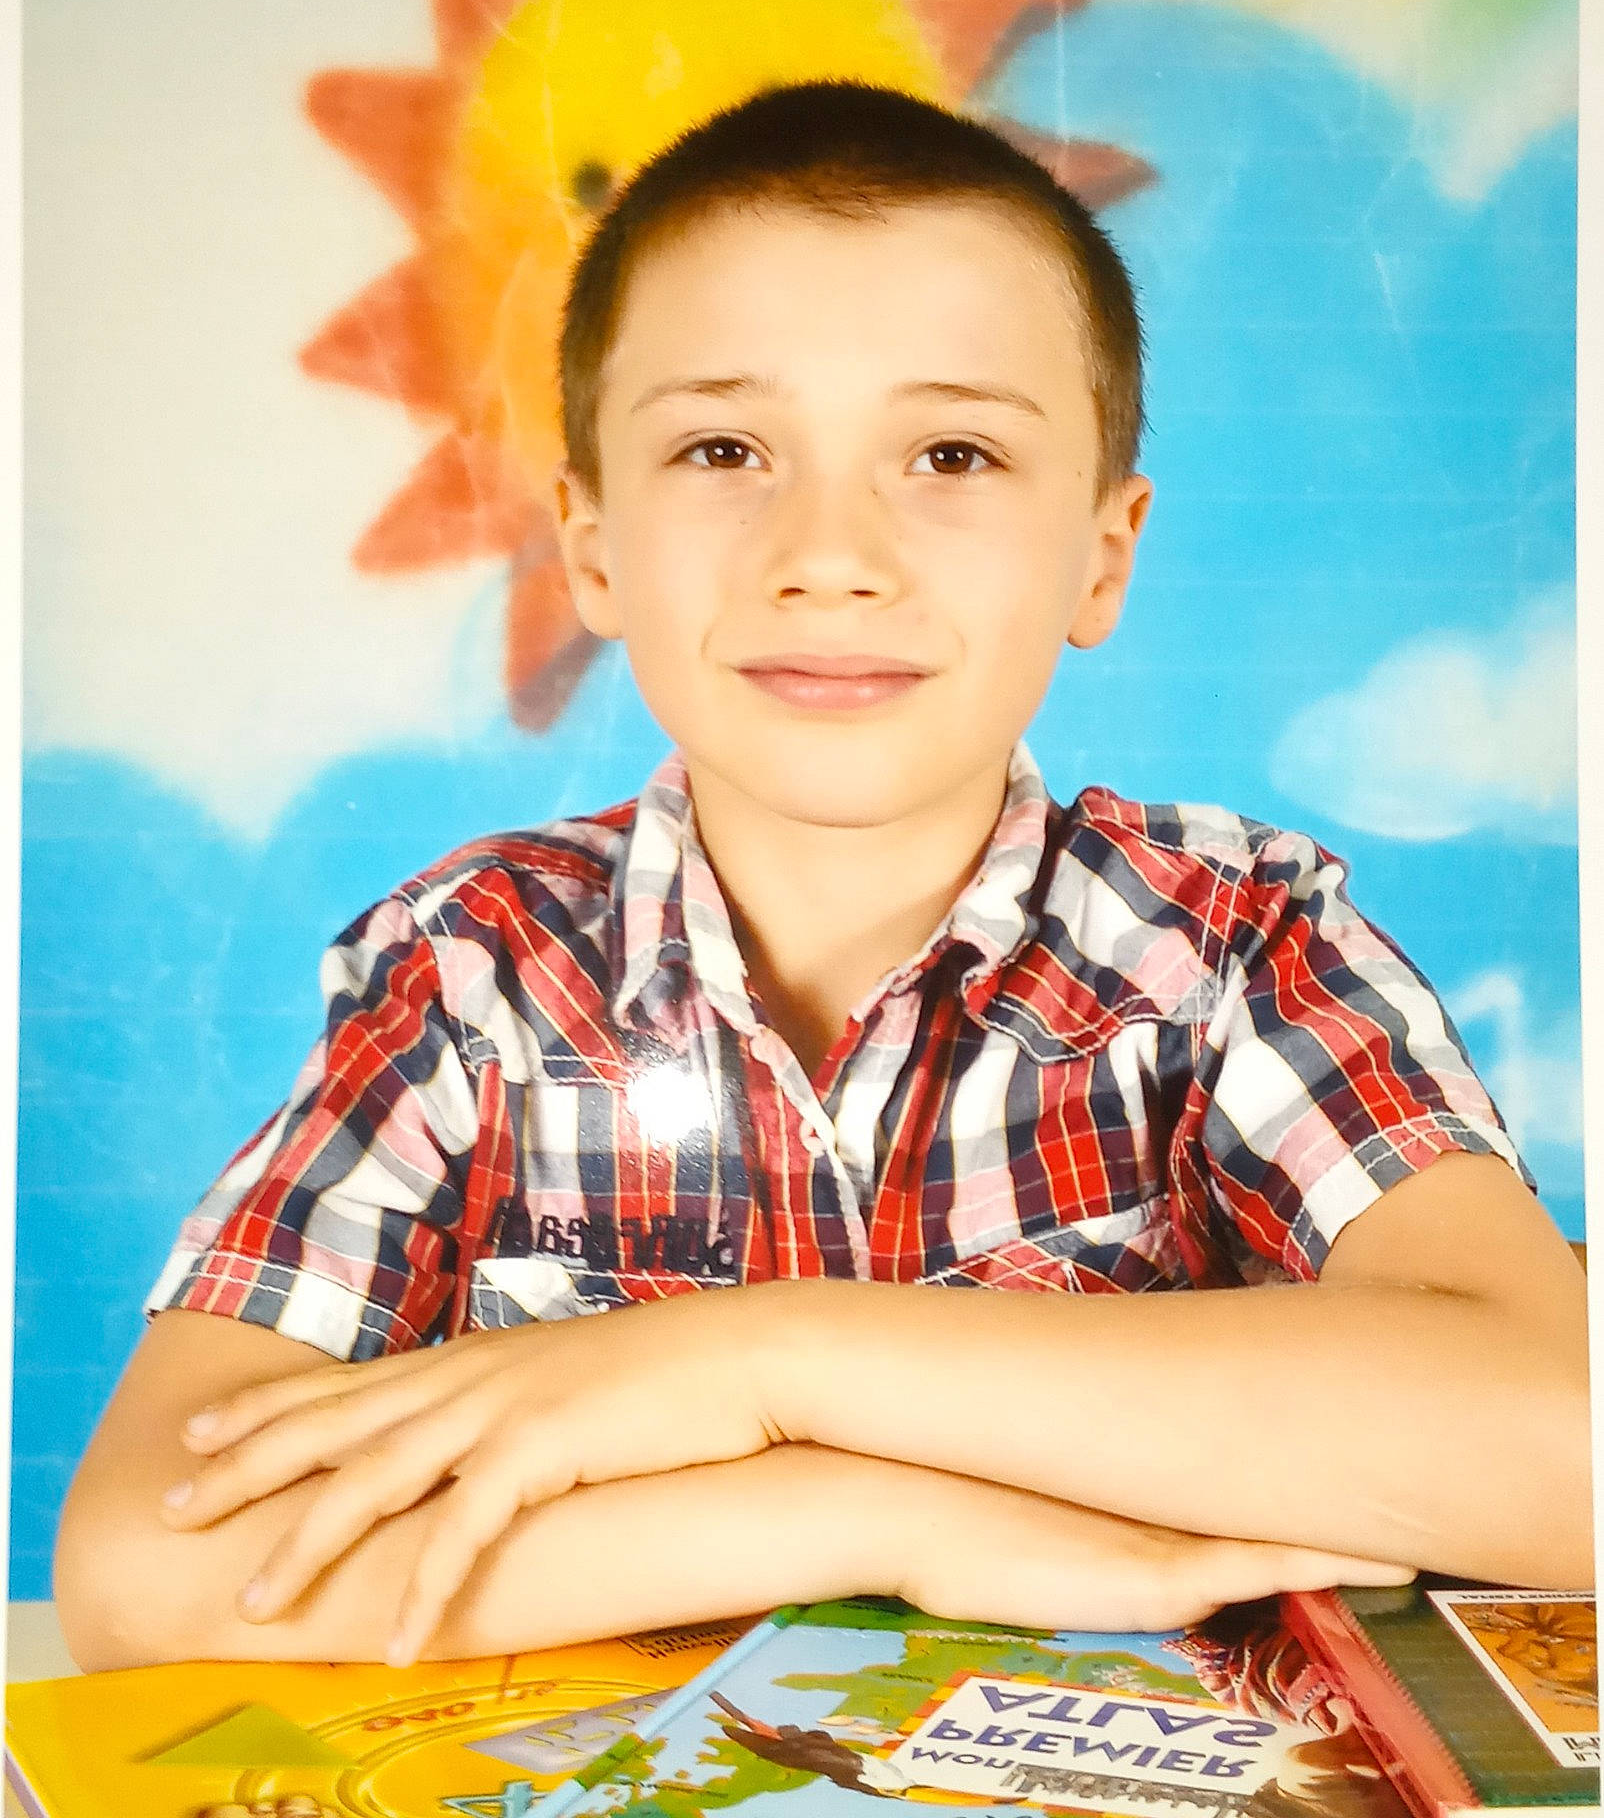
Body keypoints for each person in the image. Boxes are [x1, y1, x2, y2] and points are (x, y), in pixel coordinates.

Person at [56, 82, 1591, 1673]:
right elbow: (144, 1576)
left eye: (951, 451)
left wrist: (754, 1365)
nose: (833, 551)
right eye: (726, 447)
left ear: (1103, 555)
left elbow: (1562, 1455)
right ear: (591, 544)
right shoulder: (469, 975)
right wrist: (871, 1513)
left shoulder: (1231, 943)